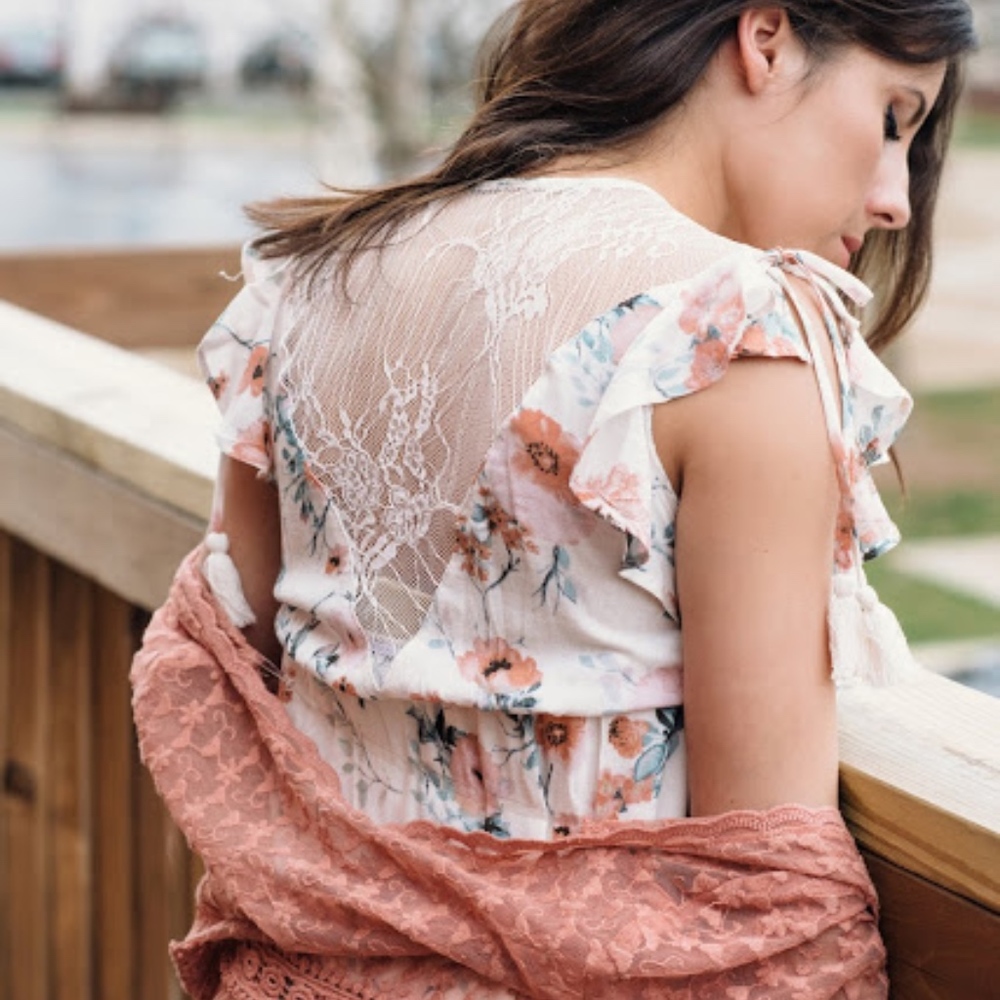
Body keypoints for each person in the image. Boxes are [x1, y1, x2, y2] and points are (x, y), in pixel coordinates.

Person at [132, 2, 977, 997]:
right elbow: (772, 909)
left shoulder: (313, 276)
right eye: (892, 114)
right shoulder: (726, 332)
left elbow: (239, 670)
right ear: (765, 39)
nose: (895, 201)